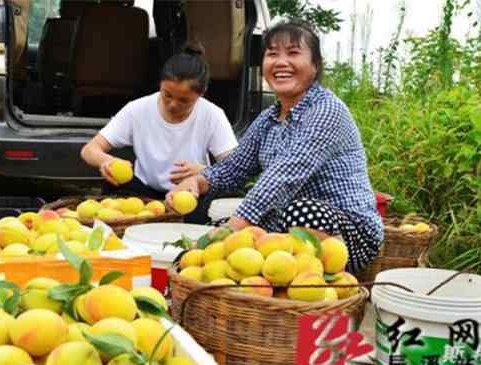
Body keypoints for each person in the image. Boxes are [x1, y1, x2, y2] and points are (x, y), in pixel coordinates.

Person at [166, 21, 383, 273]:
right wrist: (198, 181)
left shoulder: (327, 111)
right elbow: (234, 168)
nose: (281, 62)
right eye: (272, 53)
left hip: (348, 235)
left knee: (300, 212)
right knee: (220, 227)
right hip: (286, 228)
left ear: (314, 65)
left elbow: (282, 178)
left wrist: (230, 231)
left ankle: (314, 285)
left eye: (293, 53)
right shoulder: (269, 118)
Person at [81, 44, 238, 224]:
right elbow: (89, 150)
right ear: (160, 85)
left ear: (201, 94)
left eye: (184, 100)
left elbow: (235, 167)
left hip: (188, 195)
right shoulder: (137, 109)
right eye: (167, 95)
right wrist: (106, 161)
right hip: (143, 194)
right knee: (113, 186)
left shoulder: (212, 115)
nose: (172, 104)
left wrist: (204, 172)